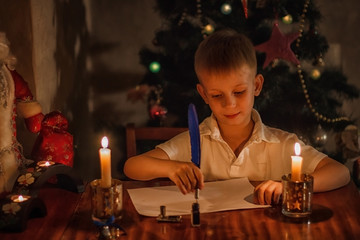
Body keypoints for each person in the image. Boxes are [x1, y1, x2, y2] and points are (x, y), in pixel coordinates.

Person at [124, 29, 350, 205]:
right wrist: (171, 168)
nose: (229, 104)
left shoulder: (282, 143)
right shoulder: (196, 141)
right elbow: (133, 166)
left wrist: (289, 185)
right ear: (204, 94)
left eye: (239, 92)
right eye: (216, 95)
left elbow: (340, 172)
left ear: (257, 85)